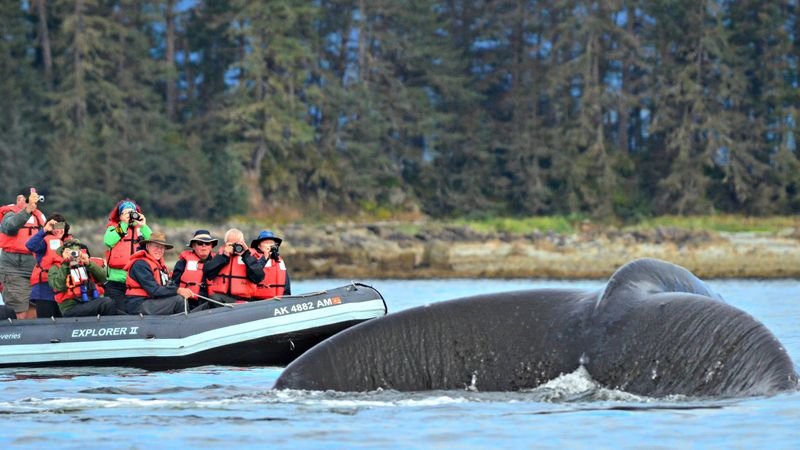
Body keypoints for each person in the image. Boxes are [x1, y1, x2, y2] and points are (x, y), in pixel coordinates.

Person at [0, 189, 46, 319]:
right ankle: (17, 334)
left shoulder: (39, 216)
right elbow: (9, 227)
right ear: (19, 199)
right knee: (18, 305)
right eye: (28, 199)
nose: (31, 203)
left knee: (35, 303)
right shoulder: (9, 213)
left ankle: (34, 335)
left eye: (34, 199)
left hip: (35, 268)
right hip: (14, 268)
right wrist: (27, 210)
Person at [124, 231, 193, 315]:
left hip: (152, 301)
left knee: (181, 297)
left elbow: (167, 286)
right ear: (148, 246)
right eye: (156, 247)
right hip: (138, 304)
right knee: (178, 301)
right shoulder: (140, 264)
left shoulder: (160, 266)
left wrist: (183, 290)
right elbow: (154, 290)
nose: (159, 250)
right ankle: (185, 325)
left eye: (162, 248)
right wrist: (178, 290)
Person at [104, 199, 151, 313]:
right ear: (119, 216)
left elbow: (154, 244)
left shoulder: (141, 229)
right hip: (116, 283)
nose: (130, 215)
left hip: (136, 282)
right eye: (125, 213)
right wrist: (124, 224)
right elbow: (109, 241)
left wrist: (144, 226)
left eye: (132, 212)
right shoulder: (113, 228)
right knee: (117, 312)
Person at [48, 238, 115, 317]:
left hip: (91, 302)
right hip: (71, 307)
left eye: (76, 252)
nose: (74, 255)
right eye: (71, 252)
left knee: (118, 310)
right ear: (63, 252)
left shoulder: (84, 263)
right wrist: (66, 263)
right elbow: (58, 287)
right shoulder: (56, 267)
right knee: (106, 303)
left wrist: (89, 263)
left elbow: (103, 278)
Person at [25, 214, 71, 318]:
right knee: (46, 323)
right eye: (54, 227)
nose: (58, 230)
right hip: (44, 290)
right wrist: (44, 230)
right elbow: (30, 245)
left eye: (61, 226)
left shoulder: (70, 244)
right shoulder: (44, 243)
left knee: (63, 324)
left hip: (64, 290)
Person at [203, 228, 265, 304]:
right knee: (213, 298)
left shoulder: (249, 257)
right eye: (231, 245)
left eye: (237, 244)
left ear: (243, 243)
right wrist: (224, 257)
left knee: (215, 298)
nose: (235, 248)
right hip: (223, 299)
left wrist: (246, 255)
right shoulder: (220, 256)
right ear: (226, 244)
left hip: (243, 301)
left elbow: (259, 277)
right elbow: (207, 273)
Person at [172, 230, 217, 310]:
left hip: (213, 304)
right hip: (188, 305)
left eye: (207, 243)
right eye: (200, 243)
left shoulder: (218, 261)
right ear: (193, 246)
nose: (204, 246)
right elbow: (173, 285)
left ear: (211, 246)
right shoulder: (182, 263)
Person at [250, 230, 291, 299]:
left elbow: (286, 282)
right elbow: (253, 275)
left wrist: (287, 298)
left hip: (278, 300)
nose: (269, 245)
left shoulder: (279, 260)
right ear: (259, 246)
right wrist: (265, 257)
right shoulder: (252, 258)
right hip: (256, 300)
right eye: (266, 243)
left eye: (271, 243)